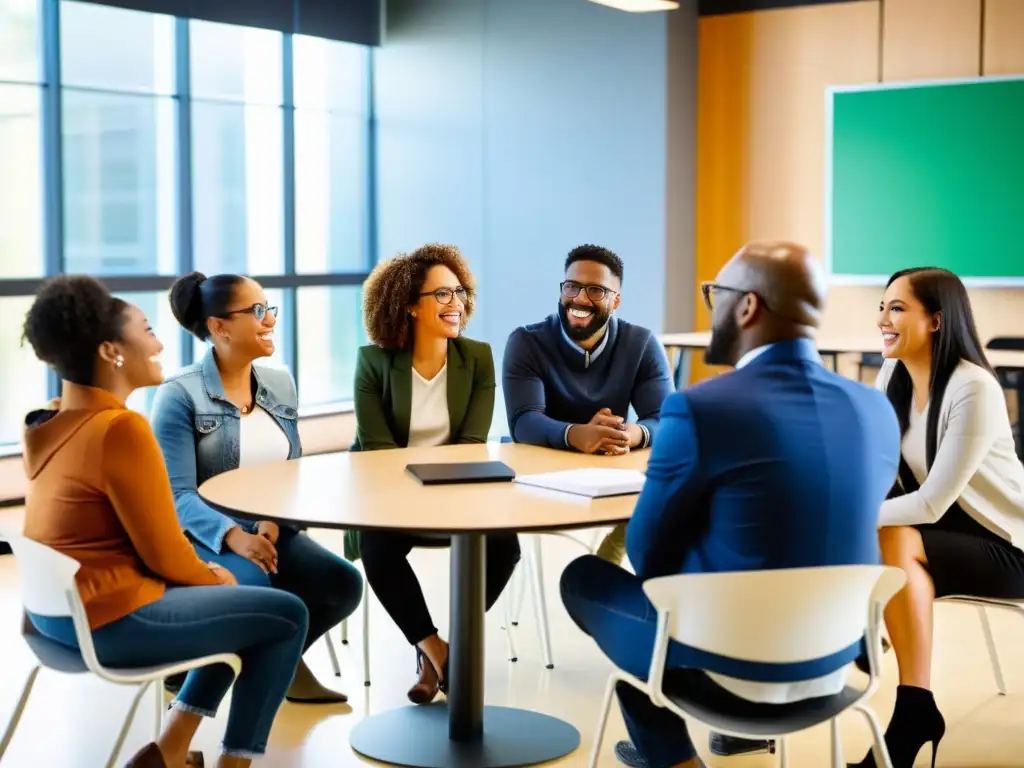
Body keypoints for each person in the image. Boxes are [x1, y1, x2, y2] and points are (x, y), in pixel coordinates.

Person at [559, 243, 902, 768]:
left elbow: (649, 559)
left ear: (747, 307)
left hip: (726, 673)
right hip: (838, 665)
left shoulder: (700, 408)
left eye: (715, 295)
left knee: (582, 578)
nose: (710, 307)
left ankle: (675, 755)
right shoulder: (874, 408)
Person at [20, 275, 308, 768]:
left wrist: (210, 582)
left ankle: (170, 753)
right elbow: (166, 552)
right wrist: (212, 577)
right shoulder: (121, 428)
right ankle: (232, 763)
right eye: (148, 329)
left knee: (244, 607)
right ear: (112, 351)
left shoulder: (53, 422)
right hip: (111, 619)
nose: (157, 343)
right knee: (286, 616)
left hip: (53, 621)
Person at [150, 272, 363, 704]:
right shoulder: (179, 395)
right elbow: (176, 497)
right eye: (257, 311)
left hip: (269, 528)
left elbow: (290, 472)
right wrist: (235, 536)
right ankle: (195, 698)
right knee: (257, 592)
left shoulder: (280, 383)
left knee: (341, 584)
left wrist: (269, 523)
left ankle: (274, 664)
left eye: (270, 309)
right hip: (203, 536)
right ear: (219, 327)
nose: (270, 321)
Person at [850, 268, 1024, 768]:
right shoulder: (894, 375)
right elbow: (877, 469)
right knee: (894, 537)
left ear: (937, 320)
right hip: (943, 537)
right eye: (882, 307)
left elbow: (931, 503)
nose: (883, 319)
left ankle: (861, 634)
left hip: (1006, 547)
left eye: (897, 308)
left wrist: (849, 517)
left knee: (892, 534)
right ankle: (914, 707)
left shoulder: (973, 388)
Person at [350, 244, 520, 704]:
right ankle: (433, 646)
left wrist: (444, 492)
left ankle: (441, 650)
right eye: (442, 294)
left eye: (459, 292)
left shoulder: (478, 358)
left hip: (458, 490)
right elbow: (378, 454)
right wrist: (417, 492)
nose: (456, 303)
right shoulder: (372, 362)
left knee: (505, 546)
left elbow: (470, 444)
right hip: (392, 492)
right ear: (409, 305)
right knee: (377, 548)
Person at [502, 244, 673, 564]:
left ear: (615, 300)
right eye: (572, 286)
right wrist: (577, 434)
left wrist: (630, 434)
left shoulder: (642, 343)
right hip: (539, 474)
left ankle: (618, 550)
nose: (580, 299)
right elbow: (524, 421)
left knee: (675, 487)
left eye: (595, 290)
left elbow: (667, 419)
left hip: (613, 470)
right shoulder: (526, 342)